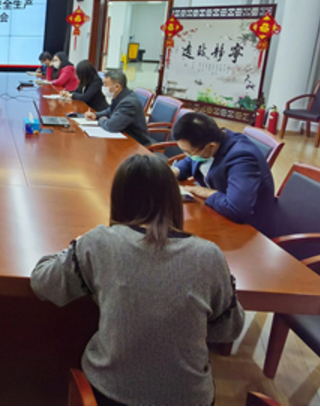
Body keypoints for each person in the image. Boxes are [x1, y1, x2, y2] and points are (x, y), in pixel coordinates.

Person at [31, 154, 244, 406]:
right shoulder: (209, 254)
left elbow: (43, 281)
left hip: (110, 394)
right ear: (173, 199)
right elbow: (229, 329)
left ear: (119, 198)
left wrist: (77, 245)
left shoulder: (100, 242)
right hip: (189, 399)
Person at [172, 112, 277, 235]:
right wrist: (174, 171)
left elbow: (237, 210)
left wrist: (208, 193)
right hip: (216, 211)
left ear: (210, 146)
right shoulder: (211, 141)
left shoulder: (242, 158)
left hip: (248, 229)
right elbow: (191, 160)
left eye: (189, 152)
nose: (188, 155)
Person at [85, 69, 152, 145]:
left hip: (136, 144)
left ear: (117, 87)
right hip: (123, 136)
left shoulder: (128, 103)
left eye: (105, 85)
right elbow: (110, 110)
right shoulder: (121, 95)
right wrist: (96, 115)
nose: (103, 87)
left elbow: (111, 126)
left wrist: (101, 120)